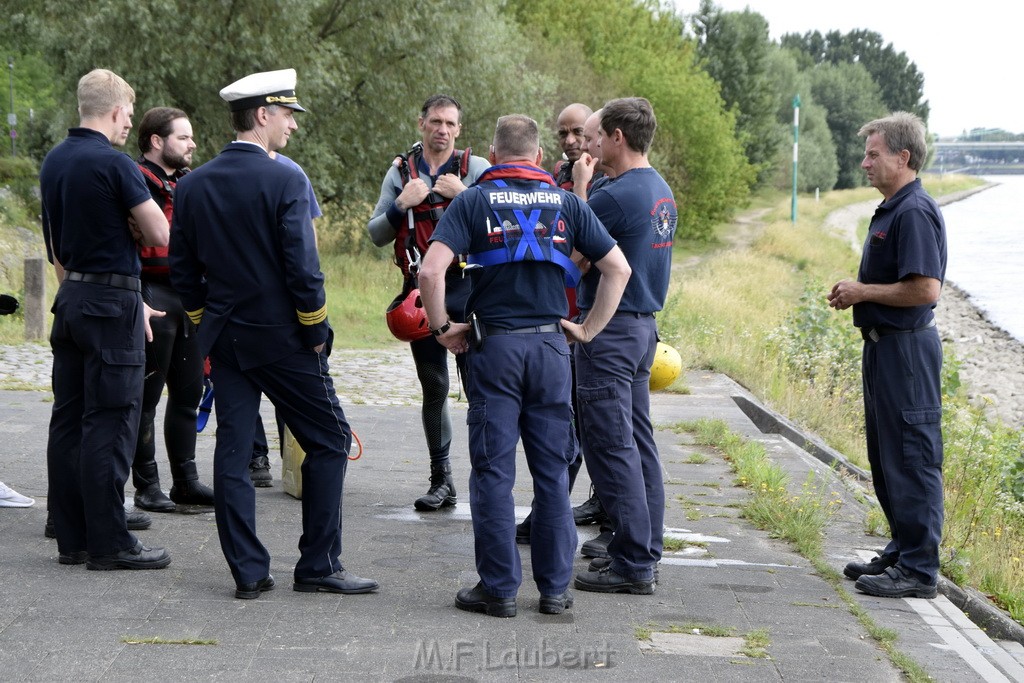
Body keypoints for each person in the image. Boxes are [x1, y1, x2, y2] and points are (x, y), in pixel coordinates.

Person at [169, 68, 377, 599]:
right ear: (263, 115)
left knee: (234, 451)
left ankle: (248, 571)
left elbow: (184, 274)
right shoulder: (286, 178)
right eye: (287, 114)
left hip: (226, 336)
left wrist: (202, 327)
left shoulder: (192, 184)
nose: (292, 126)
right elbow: (302, 269)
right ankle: (318, 564)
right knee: (330, 440)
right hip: (283, 337)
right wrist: (316, 328)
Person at [420, 114, 631, 617]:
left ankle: (498, 590)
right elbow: (617, 268)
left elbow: (431, 270)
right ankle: (556, 592)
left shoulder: (472, 200)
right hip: (551, 349)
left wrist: (441, 328)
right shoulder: (567, 203)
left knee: (493, 472)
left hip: (494, 351)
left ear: (492, 157)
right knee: (552, 472)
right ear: (538, 158)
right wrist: (587, 330)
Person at [39, 68, 172, 570]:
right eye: (129, 117)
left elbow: (56, 244)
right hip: (111, 304)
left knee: (68, 421)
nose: (127, 126)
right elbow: (158, 230)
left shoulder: (54, 162)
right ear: (117, 112)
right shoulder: (115, 165)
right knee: (112, 420)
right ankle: (110, 543)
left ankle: (71, 539)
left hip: (70, 297)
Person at [828, 111, 946, 600]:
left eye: (873, 154)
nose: (864, 162)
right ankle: (902, 550)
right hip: (884, 349)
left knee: (913, 456)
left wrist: (862, 291)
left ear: (904, 156)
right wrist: (862, 294)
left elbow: (925, 290)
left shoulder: (914, 211)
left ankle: (919, 570)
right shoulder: (894, 207)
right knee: (888, 456)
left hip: (907, 353)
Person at [572, 97, 677, 595]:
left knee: (612, 446)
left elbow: (572, 253)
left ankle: (633, 562)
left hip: (609, 332)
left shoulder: (614, 197)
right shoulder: (660, 190)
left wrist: (578, 191)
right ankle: (646, 545)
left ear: (617, 137)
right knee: (639, 443)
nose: (587, 145)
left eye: (595, 137)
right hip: (643, 328)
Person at [367, 94, 488, 511]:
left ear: (459, 129)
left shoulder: (476, 170)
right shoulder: (402, 172)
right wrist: (402, 205)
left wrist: (467, 193)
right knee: (434, 386)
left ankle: (487, 480)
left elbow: (504, 224)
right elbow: (377, 234)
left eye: (450, 123)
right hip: (423, 290)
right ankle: (442, 481)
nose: (442, 129)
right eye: (435, 121)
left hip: (472, 289)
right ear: (421, 124)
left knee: (481, 388)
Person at [515, 104, 609, 547]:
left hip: (586, 317)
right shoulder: (556, 175)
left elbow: (584, 247)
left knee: (574, 421)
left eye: (579, 134)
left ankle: (559, 514)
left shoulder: (599, 179)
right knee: (564, 420)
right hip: (555, 318)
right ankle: (557, 510)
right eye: (563, 134)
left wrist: (584, 189)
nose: (571, 142)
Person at [130, 107, 215, 512]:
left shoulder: (190, 184)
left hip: (189, 298)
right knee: (145, 399)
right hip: (151, 293)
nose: (192, 144)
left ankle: (187, 481)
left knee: (188, 394)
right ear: (156, 142)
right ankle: (147, 486)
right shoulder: (132, 179)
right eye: (184, 137)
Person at [248, 150, 324, 488]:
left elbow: (308, 234)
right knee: (246, 382)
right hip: (254, 301)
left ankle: (291, 460)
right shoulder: (235, 170)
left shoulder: (293, 170)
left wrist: (313, 290)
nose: (291, 124)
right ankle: (256, 455)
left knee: (287, 389)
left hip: (286, 299)